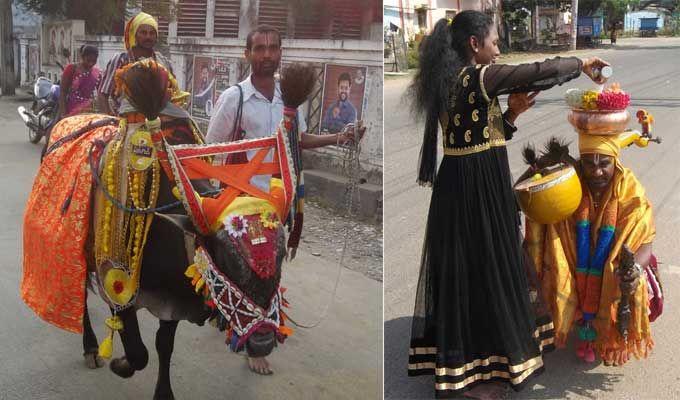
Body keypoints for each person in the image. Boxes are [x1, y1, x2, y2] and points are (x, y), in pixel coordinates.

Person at [407, 11, 610, 399]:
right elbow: (532, 72)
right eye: (495, 41)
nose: (498, 49)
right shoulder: (476, 77)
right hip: (474, 193)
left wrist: (512, 114)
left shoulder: (454, 82)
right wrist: (581, 62)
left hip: (465, 186)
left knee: (473, 272)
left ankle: (474, 368)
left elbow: (481, 135)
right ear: (474, 44)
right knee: (485, 271)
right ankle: (474, 381)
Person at [206, 24, 365, 375]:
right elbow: (211, 148)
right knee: (251, 271)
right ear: (246, 54)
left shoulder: (288, 100)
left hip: (278, 200)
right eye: (258, 48)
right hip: (241, 203)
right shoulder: (235, 98)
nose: (266, 54)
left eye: (272, 48)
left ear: (280, 53)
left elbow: (300, 139)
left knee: (267, 270)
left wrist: (342, 137)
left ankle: (249, 325)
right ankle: (251, 342)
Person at [524, 132, 656, 367]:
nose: (596, 172)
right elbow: (524, 196)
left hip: (615, 263)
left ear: (614, 161)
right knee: (557, 258)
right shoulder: (569, 181)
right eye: (589, 163)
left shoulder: (629, 188)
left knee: (629, 277)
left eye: (604, 163)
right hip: (578, 261)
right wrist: (539, 167)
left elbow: (645, 241)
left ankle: (613, 338)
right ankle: (582, 323)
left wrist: (634, 269)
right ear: (581, 162)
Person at [97, 12, 173, 115]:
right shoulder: (121, 60)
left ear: (156, 37)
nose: (148, 37)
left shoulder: (163, 62)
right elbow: (103, 94)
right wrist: (110, 121)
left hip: (158, 123)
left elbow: (172, 94)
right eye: (143, 32)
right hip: (124, 122)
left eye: (152, 33)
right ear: (135, 35)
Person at [57, 45, 102, 118]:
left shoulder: (97, 73)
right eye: (88, 60)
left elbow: (101, 94)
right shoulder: (72, 68)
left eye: (94, 61)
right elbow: (63, 92)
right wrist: (63, 114)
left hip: (89, 111)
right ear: (82, 57)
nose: (91, 63)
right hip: (71, 109)